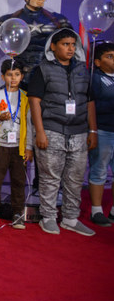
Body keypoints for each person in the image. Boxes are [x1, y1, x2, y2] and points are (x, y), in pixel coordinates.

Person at [28, 28, 97, 236]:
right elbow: (34, 102)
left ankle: (70, 218)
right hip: (52, 130)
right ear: (53, 46)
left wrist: (92, 130)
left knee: (75, 178)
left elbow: (90, 101)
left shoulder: (83, 70)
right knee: (50, 177)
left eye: (73, 44)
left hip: (79, 132)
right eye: (65, 44)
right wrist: (39, 131)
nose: (70, 48)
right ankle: (48, 217)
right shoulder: (42, 69)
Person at [0, 0, 71, 89]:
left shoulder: (58, 21)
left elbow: (73, 48)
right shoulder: (7, 21)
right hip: (19, 79)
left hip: (47, 78)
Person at [0, 59, 33, 229]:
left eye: (17, 75)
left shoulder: (26, 99)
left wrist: (29, 147)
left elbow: (30, 125)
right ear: (3, 76)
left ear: (22, 76)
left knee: (19, 181)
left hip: (18, 147)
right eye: (10, 75)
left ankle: (18, 212)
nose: (13, 78)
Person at [88, 42, 114, 227]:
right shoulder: (95, 79)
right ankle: (96, 210)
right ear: (97, 62)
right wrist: (93, 131)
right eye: (110, 56)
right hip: (103, 130)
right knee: (99, 170)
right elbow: (90, 106)